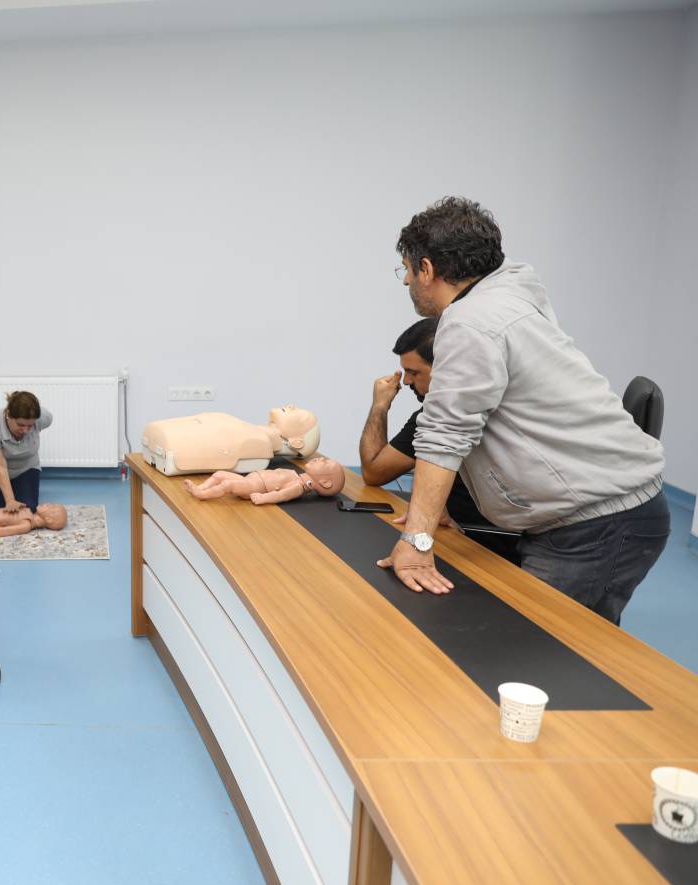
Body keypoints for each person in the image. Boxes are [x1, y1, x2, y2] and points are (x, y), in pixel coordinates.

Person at [379, 197, 668, 624]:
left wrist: (417, 541)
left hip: (596, 524)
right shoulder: (510, 291)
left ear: (427, 268)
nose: (405, 280)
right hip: (604, 512)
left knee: (535, 645)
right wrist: (435, 506)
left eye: (406, 268)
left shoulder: (470, 322)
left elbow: (444, 435)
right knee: (548, 646)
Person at [360, 318, 520, 563]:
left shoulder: (449, 415)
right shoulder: (435, 415)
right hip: (458, 535)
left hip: (489, 547)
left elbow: (374, 471)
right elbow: (374, 473)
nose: (406, 381)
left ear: (445, 369)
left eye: (414, 373)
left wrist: (379, 406)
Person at [0, 391, 53, 513]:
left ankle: (14, 487)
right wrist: (10, 500)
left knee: (28, 509)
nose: (25, 430)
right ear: (8, 414)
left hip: (25, 468)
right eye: (21, 424)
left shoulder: (43, 418)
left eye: (30, 426)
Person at [184, 457, 346, 504]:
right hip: (250, 478)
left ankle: (202, 495)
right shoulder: (296, 476)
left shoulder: (298, 486)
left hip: (253, 486)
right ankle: (202, 487)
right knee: (220, 474)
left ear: (325, 483)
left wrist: (263, 498)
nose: (320, 459)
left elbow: (281, 496)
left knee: (228, 484)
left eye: (325, 463)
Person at [0, 502, 67, 537]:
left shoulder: (26, 525)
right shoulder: (28, 512)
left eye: (51, 507)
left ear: (48, 519)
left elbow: (3, 531)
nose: (47, 504)